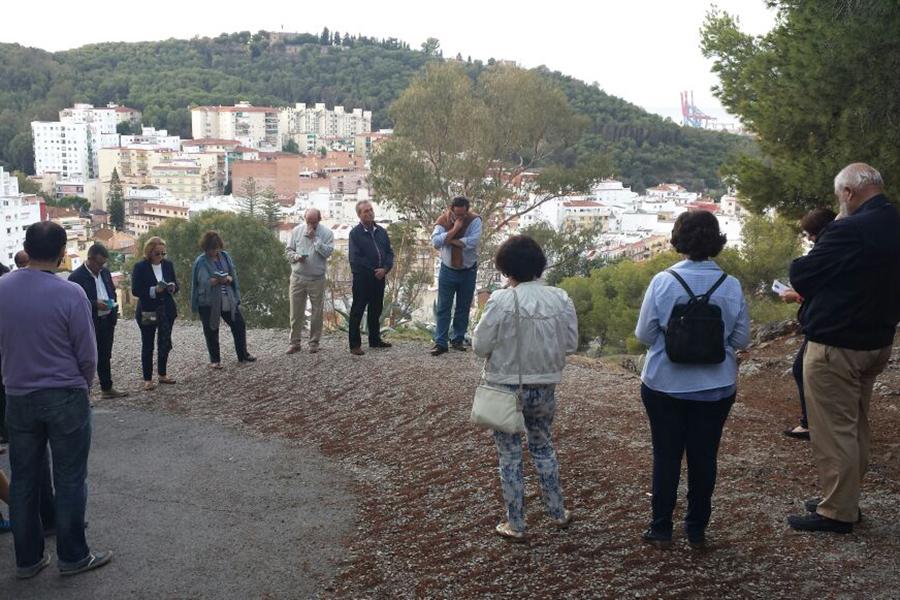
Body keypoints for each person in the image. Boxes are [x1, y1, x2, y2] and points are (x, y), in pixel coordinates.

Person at [787, 163, 900, 534]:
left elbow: (802, 274)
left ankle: (837, 511)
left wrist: (835, 226)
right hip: (876, 339)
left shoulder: (848, 229)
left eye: (840, 197)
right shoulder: (893, 221)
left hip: (838, 343)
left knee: (834, 430)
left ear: (848, 194)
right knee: (855, 426)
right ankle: (844, 496)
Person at [0, 221, 112, 578]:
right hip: (64, 394)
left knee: (23, 480)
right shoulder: (70, 294)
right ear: (63, 253)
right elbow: (87, 353)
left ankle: (28, 560)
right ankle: (73, 555)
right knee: (69, 478)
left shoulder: (2, 289)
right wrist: (85, 385)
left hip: (17, 395)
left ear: (26, 248)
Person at [635, 210, 750, 548]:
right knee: (704, 457)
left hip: (664, 384)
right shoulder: (730, 285)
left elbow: (644, 333)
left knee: (666, 454)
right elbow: (741, 340)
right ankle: (697, 529)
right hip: (716, 386)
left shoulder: (663, 281)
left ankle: (660, 528)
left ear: (678, 239)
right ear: (716, 240)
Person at [472, 235, 579, 542]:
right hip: (545, 386)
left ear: (506, 270)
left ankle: (516, 522)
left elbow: (480, 346)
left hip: (506, 387)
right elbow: (570, 344)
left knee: (509, 454)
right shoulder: (561, 298)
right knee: (543, 446)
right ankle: (557, 512)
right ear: (539, 264)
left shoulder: (501, 300)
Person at [779, 208, 837, 440]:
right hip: (836, 324)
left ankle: (810, 423)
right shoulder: (841, 252)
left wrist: (796, 296)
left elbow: (824, 292)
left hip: (825, 327)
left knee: (802, 370)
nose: (809, 239)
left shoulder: (826, 253)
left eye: (810, 234)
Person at [68, 243, 129, 399]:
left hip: (107, 320)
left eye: (103, 264)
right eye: (99, 263)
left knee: (105, 355)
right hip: (89, 322)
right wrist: (95, 304)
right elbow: (75, 303)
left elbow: (112, 292)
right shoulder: (76, 277)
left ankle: (107, 388)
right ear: (90, 259)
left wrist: (112, 303)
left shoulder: (105, 273)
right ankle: (82, 392)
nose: (101, 267)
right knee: (85, 356)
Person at [190, 231, 256, 368]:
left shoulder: (225, 256)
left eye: (216, 248)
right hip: (208, 301)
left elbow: (232, 274)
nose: (214, 251)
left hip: (227, 297)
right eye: (211, 249)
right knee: (211, 329)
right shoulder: (201, 261)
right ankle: (215, 360)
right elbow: (201, 281)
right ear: (206, 248)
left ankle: (243, 354)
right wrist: (213, 281)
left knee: (239, 324)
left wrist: (228, 279)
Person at [430, 196, 483, 356]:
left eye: (462, 215)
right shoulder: (443, 221)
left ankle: (457, 339)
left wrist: (449, 239)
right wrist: (454, 230)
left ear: (467, 211)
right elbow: (435, 242)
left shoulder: (475, 221)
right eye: (456, 214)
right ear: (451, 209)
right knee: (443, 307)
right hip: (448, 270)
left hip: (468, 270)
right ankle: (441, 342)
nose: (458, 217)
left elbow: (472, 242)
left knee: (463, 306)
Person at [131, 236, 179, 391]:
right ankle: (147, 378)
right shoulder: (140, 267)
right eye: (158, 254)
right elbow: (136, 290)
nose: (161, 257)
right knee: (148, 343)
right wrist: (153, 290)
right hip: (148, 309)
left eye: (163, 254)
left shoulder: (168, 265)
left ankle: (162, 374)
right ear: (149, 253)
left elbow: (176, 284)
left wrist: (172, 288)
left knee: (164, 342)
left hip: (166, 310)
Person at [348, 200, 394, 355]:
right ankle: (355, 345)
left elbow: (389, 253)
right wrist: (375, 269)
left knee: (376, 309)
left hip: (380, 278)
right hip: (363, 278)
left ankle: (375, 340)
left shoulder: (381, 231)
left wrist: (385, 269)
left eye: (371, 209)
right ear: (359, 215)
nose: (369, 213)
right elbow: (355, 258)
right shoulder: (355, 234)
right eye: (365, 211)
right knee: (358, 310)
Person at [286, 208, 334, 354]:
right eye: (308, 222)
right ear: (304, 219)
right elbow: (288, 251)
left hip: (316, 279)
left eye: (313, 222)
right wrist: (296, 257)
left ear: (319, 220)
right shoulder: (296, 231)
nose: (310, 225)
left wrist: (315, 239)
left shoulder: (327, 233)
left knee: (317, 312)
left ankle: (314, 342)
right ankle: (295, 343)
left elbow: (327, 252)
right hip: (298, 277)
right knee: (296, 311)